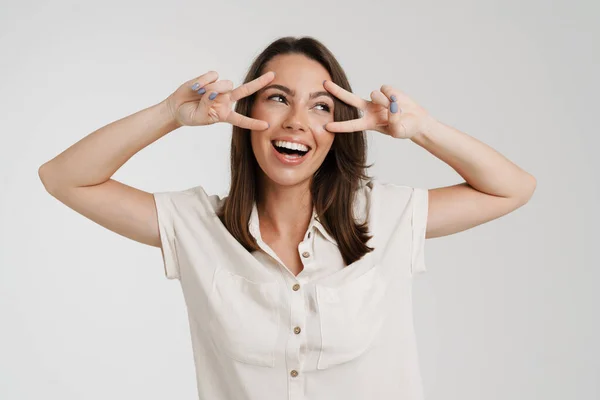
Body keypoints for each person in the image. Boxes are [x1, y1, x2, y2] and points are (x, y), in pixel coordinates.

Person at [38, 36, 536, 399]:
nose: (296, 121)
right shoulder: (197, 227)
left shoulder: (385, 217)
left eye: (321, 106)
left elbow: (513, 188)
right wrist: (170, 113)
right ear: (246, 112)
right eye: (279, 98)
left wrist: (421, 128)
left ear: (338, 128)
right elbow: (64, 178)